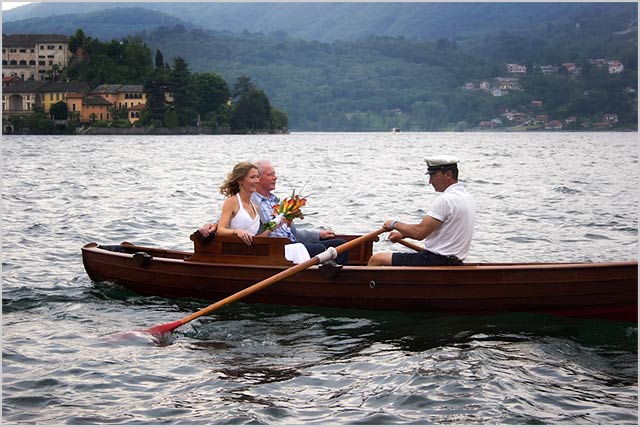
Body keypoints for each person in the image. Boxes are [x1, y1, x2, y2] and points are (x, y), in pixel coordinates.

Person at [368, 155, 475, 266]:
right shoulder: (467, 197)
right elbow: (436, 229)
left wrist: (393, 224)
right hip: (454, 262)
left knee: (377, 259)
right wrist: (403, 234)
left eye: (433, 176)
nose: (430, 181)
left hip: (434, 261)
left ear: (448, 174)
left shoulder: (446, 200)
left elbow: (419, 233)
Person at [251, 159, 350, 265]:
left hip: (294, 244)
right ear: (258, 179)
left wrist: (318, 234)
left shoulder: (274, 201)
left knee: (341, 245)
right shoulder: (252, 203)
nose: (275, 177)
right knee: (319, 249)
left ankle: (336, 278)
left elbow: (293, 233)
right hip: (278, 250)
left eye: (274, 174)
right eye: (270, 175)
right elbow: (255, 234)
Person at [202, 161, 274, 246]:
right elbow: (221, 230)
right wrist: (236, 231)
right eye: (252, 177)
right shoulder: (232, 202)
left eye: (257, 177)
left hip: (251, 251)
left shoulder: (255, 207)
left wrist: (274, 225)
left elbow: (254, 238)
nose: (257, 181)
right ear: (240, 181)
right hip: (233, 251)